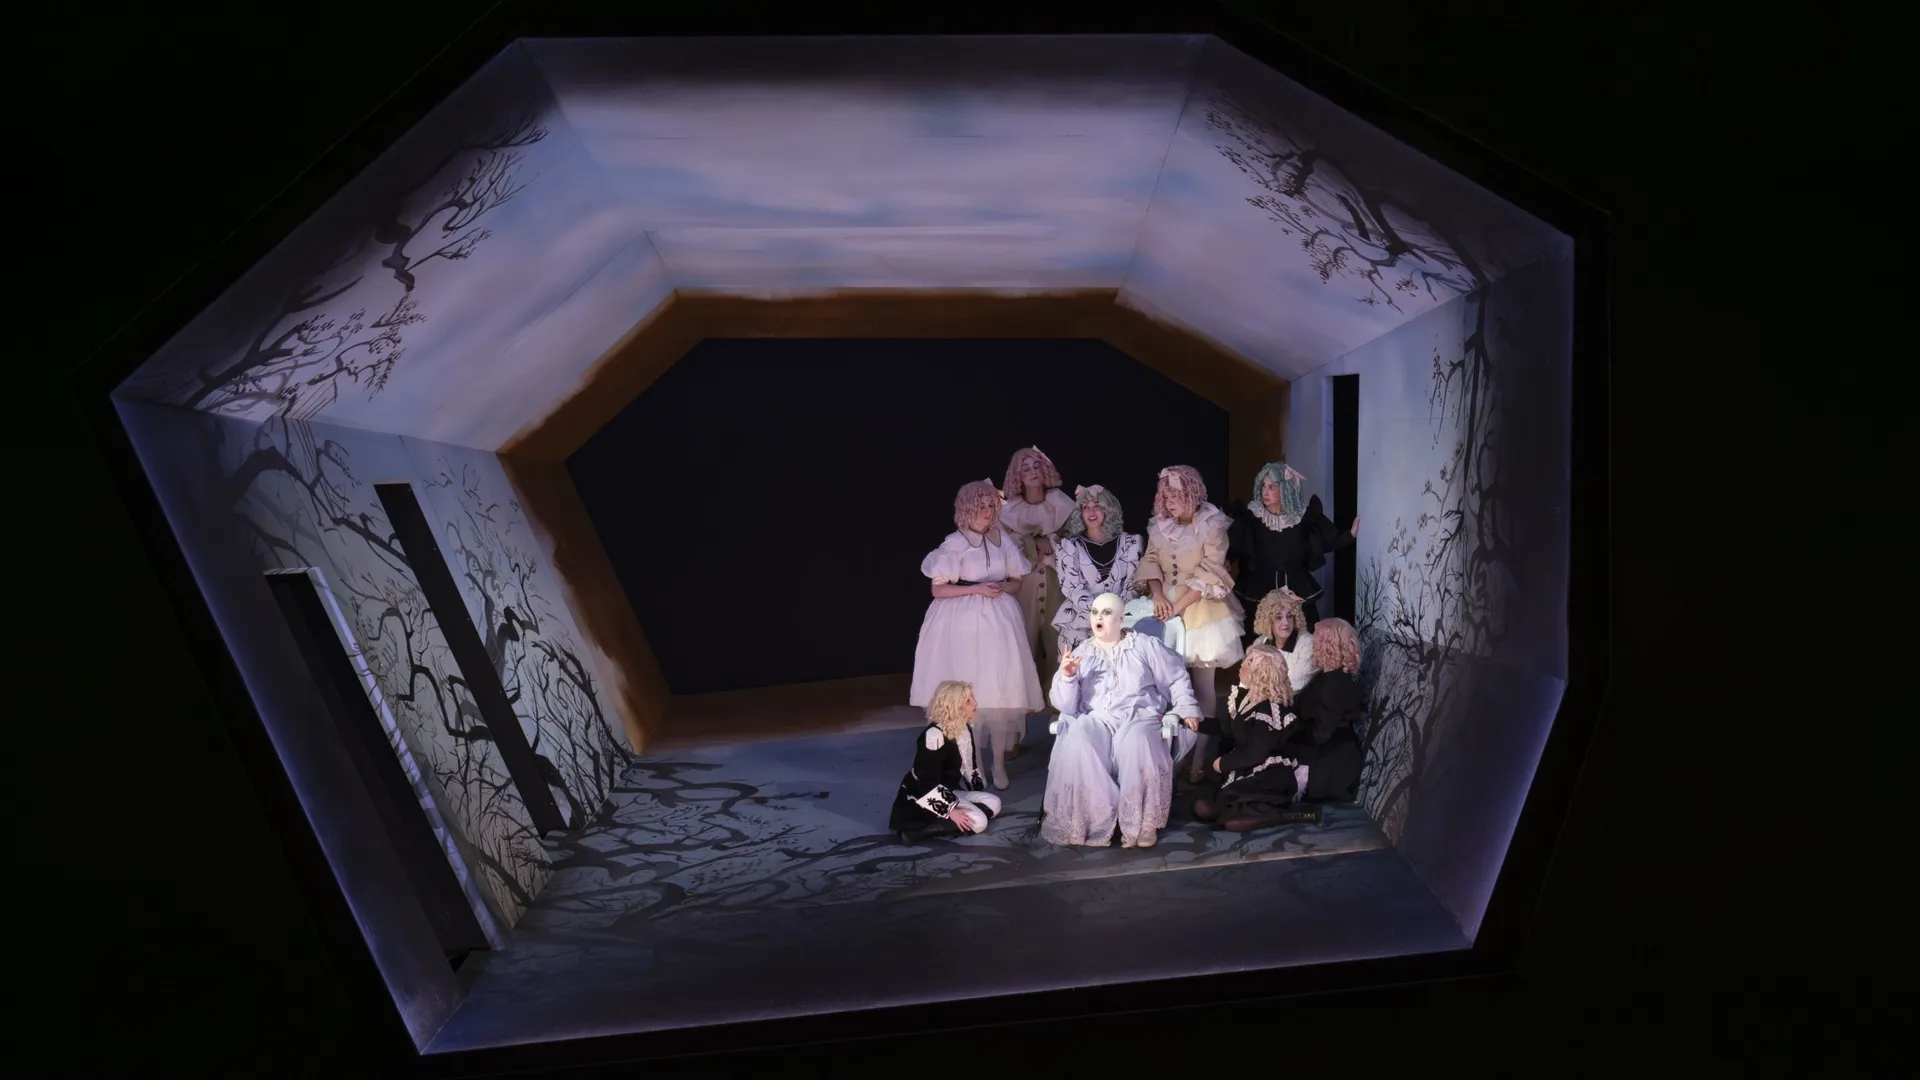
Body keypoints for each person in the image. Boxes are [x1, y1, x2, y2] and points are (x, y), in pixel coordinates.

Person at [909, 479, 1045, 790]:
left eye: (990, 506)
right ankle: (975, 765)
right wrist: (976, 590)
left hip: (998, 619)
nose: (986, 511)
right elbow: (938, 589)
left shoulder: (1002, 540)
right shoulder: (954, 543)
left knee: (1000, 690)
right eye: (980, 506)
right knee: (972, 690)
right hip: (962, 621)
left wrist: (1000, 587)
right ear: (967, 510)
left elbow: (1016, 582)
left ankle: (997, 763)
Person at [1040, 592, 1202, 850]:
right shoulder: (1083, 652)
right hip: (1098, 718)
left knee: (1138, 742)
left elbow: (1176, 677)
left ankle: (1143, 823)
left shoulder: (1144, 645)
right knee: (1079, 740)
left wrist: (1185, 707)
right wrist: (1068, 677)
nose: (1099, 618)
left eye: (1106, 612)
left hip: (1139, 716)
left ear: (1120, 618)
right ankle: (1088, 821)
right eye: (1095, 612)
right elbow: (1067, 706)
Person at [1131, 465, 1243, 783]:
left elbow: (1211, 571)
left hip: (1201, 608)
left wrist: (1177, 608)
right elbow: (1151, 560)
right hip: (1165, 605)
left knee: (1203, 687)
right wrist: (1157, 596)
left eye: (1176, 496)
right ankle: (1167, 755)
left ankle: (1198, 758)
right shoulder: (1160, 524)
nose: (1170, 503)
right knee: (1164, 682)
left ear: (1191, 494)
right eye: (1166, 496)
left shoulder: (1211, 524)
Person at [1189, 644, 1324, 829]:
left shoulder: (1269, 708)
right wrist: (1193, 722)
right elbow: (1225, 728)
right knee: (1203, 808)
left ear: (1259, 673)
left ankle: (1298, 815)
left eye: (1247, 663)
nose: (1242, 665)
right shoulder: (1247, 699)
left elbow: (1255, 754)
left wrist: (1223, 763)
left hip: (1268, 778)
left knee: (1233, 823)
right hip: (1248, 771)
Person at [998, 447, 1075, 758]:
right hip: (1024, 589)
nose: (1032, 471)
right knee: (1020, 656)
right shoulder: (1009, 511)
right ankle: (1014, 732)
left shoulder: (1062, 504)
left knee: (1061, 653)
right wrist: (1033, 543)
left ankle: (1062, 725)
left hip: (1059, 586)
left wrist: (1049, 543)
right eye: (1025, 467)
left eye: (1036, 465)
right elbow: (1005, 547)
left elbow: (1074, 542)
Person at [1228, 461, 1358, 633]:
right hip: (1258, 587)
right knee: (1258, 635)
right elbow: (1234, 544)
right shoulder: (1252, 517)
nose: (1265, 492)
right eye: (1263, 486)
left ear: (1285, 489)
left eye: (1271, 487)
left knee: (1302, 635)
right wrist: (1226, 560)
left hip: (1295, 587)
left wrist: (1350, 535)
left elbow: (1327, 541)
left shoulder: (1302, 518)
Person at [889, 680, 1005, 841]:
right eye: (968, 701)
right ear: (954, 706)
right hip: (922, 796)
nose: (975, 703)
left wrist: (976, 792)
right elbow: (926, 782)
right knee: (979, 823)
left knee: (994, 803)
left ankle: (960, 817)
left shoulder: (964, 728)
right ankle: (916, 832)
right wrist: (951, 811)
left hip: (948, 788)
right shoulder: (934, 737)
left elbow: (969, 766)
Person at [1050, 484, 1144, 657]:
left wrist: (1114, 615)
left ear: (1109, 509)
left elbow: (1134, 583)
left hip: (1121, 623)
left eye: (1097, 506)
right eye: (1086, 507)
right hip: (1079, 626)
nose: (1091, 512)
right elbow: (1071, 588)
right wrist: (1100, 616)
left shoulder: (1131, 542)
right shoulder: (1068, 546)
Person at [1250, 587, 1318, 695]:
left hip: (1295, 701)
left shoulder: (1307, 643)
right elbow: (1249, 678)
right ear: (1268, 620)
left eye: (1290, 616)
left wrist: (1263, 690)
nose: (1286, 623)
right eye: (1278, 617)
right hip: (1263, 699)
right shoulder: (1260, 642)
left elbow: (1296, 684)